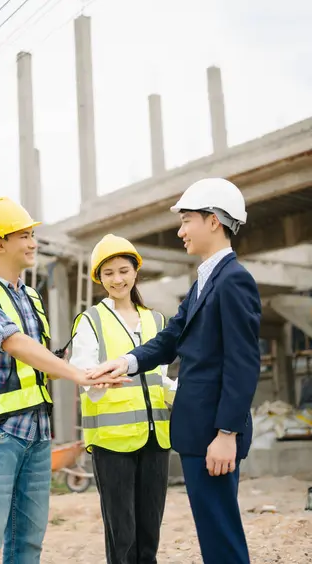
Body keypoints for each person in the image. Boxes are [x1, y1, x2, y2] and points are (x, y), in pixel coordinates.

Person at [88, 179, 262, 564]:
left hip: (214, 434)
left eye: (187, 220)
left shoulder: (234, 281)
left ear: (213, 221)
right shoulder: (205, 280)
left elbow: (244, 361)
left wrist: (227, 433)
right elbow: (170, 338)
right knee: (213, 533)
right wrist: (126, 362)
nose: (180, 230)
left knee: (221, 536)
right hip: (198, 431)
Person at [0, 197, 123, 564]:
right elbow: (16, 345)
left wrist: (91, 369)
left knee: (28, 543)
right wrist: (77, 373)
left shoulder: (30, 296)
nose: (33, 243)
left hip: (36, 433)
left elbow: (44, 362)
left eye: (33, 235)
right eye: (25, 236)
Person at [71, 234, 176, 564]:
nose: (117, 279)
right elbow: (81, 371)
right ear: (99, 279)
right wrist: (100, 378)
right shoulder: (91, 321)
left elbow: (161, 378)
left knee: (150, 531)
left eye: (123, 270)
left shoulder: (156, 320)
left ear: (135, 272)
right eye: (109, 273)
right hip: (112, 442)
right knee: (123, 533)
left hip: (156, 436)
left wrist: (188, 396)